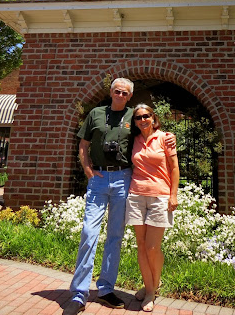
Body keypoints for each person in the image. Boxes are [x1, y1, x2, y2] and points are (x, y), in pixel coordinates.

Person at [63, 79, 175, 315]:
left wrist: (169, 136)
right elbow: (83, 144)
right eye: (117, 91)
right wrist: (87, 169)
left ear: (130, 96)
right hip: (99, 179)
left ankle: (105, 289)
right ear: (111, 92)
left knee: (115, 235)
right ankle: (79, 293)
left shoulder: (134, 116)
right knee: (89, 232)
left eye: (125, 93)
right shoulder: (95, 113)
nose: (120, 95)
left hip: (124, 179)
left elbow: (150, 130)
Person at [125, 104, 179, 312]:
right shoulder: (134, 139)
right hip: (136, 195)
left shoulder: (165, 138)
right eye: (138, 117)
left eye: (146, 116)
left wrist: (173, 194)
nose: (142, 120)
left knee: (152, 247)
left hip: (159, 197)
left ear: (153, 117)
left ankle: (151, 290)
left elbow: (174, 167)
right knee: (141, 245)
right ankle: (149, 288)